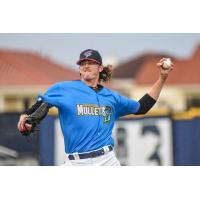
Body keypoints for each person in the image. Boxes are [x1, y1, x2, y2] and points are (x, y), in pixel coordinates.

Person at [17, 49, 173, 166]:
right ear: (79, 69)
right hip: (76, 162)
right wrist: (28, 116)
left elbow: (142, 107)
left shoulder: (112, 97)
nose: (86, 66)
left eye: (90, 62)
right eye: (82, 63)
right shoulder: (64, 89)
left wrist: (162, 78)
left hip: (107, 160)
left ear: (100, 68)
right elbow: (42, 104)